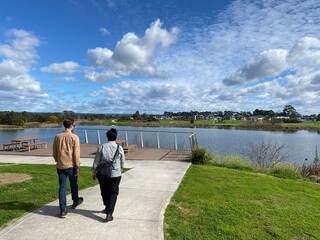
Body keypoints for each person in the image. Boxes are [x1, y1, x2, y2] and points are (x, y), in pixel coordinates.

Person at [92, 128, 125, 222]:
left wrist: (94, 171)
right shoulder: (119, 148)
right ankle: (109, 213)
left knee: (104, 191)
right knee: (113, 192)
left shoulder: (102, 147)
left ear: (107, 137)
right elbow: (122, 161)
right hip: (116, 173)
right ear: (116, 137)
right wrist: (121, 168)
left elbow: (96, 161)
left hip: (103, 173)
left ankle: (107, 206)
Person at [53, 118, 83, 218]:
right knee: (74, 184)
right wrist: (77, 165)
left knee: (62, 187)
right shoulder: (74, 137)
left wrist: (57, 159)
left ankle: (63, 209)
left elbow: (54, 152)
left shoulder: (57, 137)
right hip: (71, 165)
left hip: (61, 165)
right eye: (74, 125)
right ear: (71, 126)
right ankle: (75, 201)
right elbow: (76, 153)